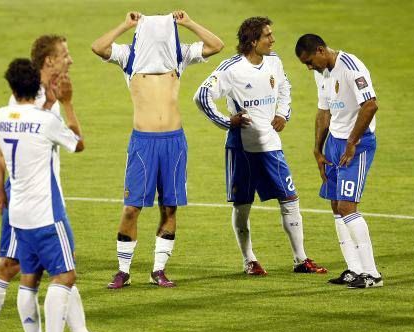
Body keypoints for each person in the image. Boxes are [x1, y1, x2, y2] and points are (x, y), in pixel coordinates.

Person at [0, 35, 119, 332]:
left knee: (57, 265)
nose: (70, 60)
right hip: (25, 193)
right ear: (48, 61)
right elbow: (4, 146)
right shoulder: (27, 97)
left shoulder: (40, 95)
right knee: (13, 266)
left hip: (38, 192)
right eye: (64, 55)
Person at [91, 11, 224, 288]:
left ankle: (158, 270)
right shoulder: (128, 57)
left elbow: (216, 45)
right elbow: (98, 47)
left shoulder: (179, 56)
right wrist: (124, 25)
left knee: (170, 207)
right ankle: (123, 271)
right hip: (143, 143)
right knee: (131, 209)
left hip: (174, 143)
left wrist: (188, 22)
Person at [193, 17, 328, 276]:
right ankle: (249, 260)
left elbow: (285, 87)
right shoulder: (231, 68)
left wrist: (282, 113)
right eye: (267, 36)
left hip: (271, 146)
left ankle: (301, 259)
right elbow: (201, 96)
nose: (273, 39)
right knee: (243, 204)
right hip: (242, 147)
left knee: (290, 199)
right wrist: (226, 121)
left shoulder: (274, 61)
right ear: (253, 41)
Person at [0, 57, 89, 332]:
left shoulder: (1, 116)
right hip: (46, 212)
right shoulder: (46, 121)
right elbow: (77, 145)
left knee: (29, 280)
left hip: (18, 213)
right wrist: (68, 103)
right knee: (65, 275)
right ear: (35, 84)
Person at [295, 34, 383, 288]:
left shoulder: (351, 67)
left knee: (347, 206)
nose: (310, 67)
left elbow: (371, 105)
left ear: (321, 50)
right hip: (334, 143)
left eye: (310, 61)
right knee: (336, 205)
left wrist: (352, 142)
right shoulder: (322, 73)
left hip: (356, 144)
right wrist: (317, 149)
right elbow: (324, 111)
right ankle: (354, 269)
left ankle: (372, 274)